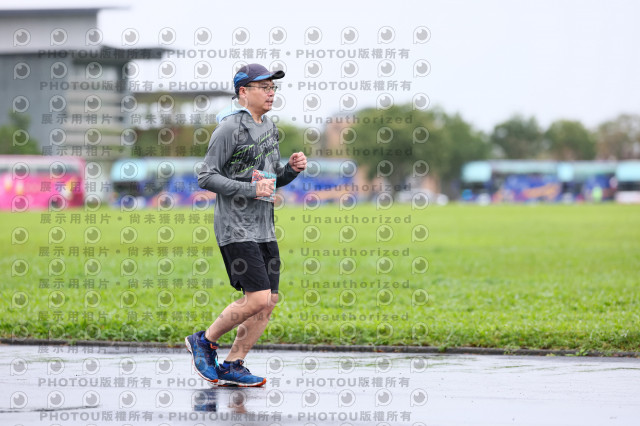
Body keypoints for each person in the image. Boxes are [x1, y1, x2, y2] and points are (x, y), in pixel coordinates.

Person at [186, 64, 307, 387]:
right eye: (263, 87)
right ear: (243, 92)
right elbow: (206, 176)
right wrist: (251, 190)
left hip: (264, 227)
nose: (271, 93)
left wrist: (290, 171)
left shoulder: (269, 127)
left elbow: (269, 179)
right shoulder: (229, 128)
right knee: (257, 298)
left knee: (268, 302)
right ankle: (204, 341)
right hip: (235, 227)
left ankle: (233, 364)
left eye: (272, 87)